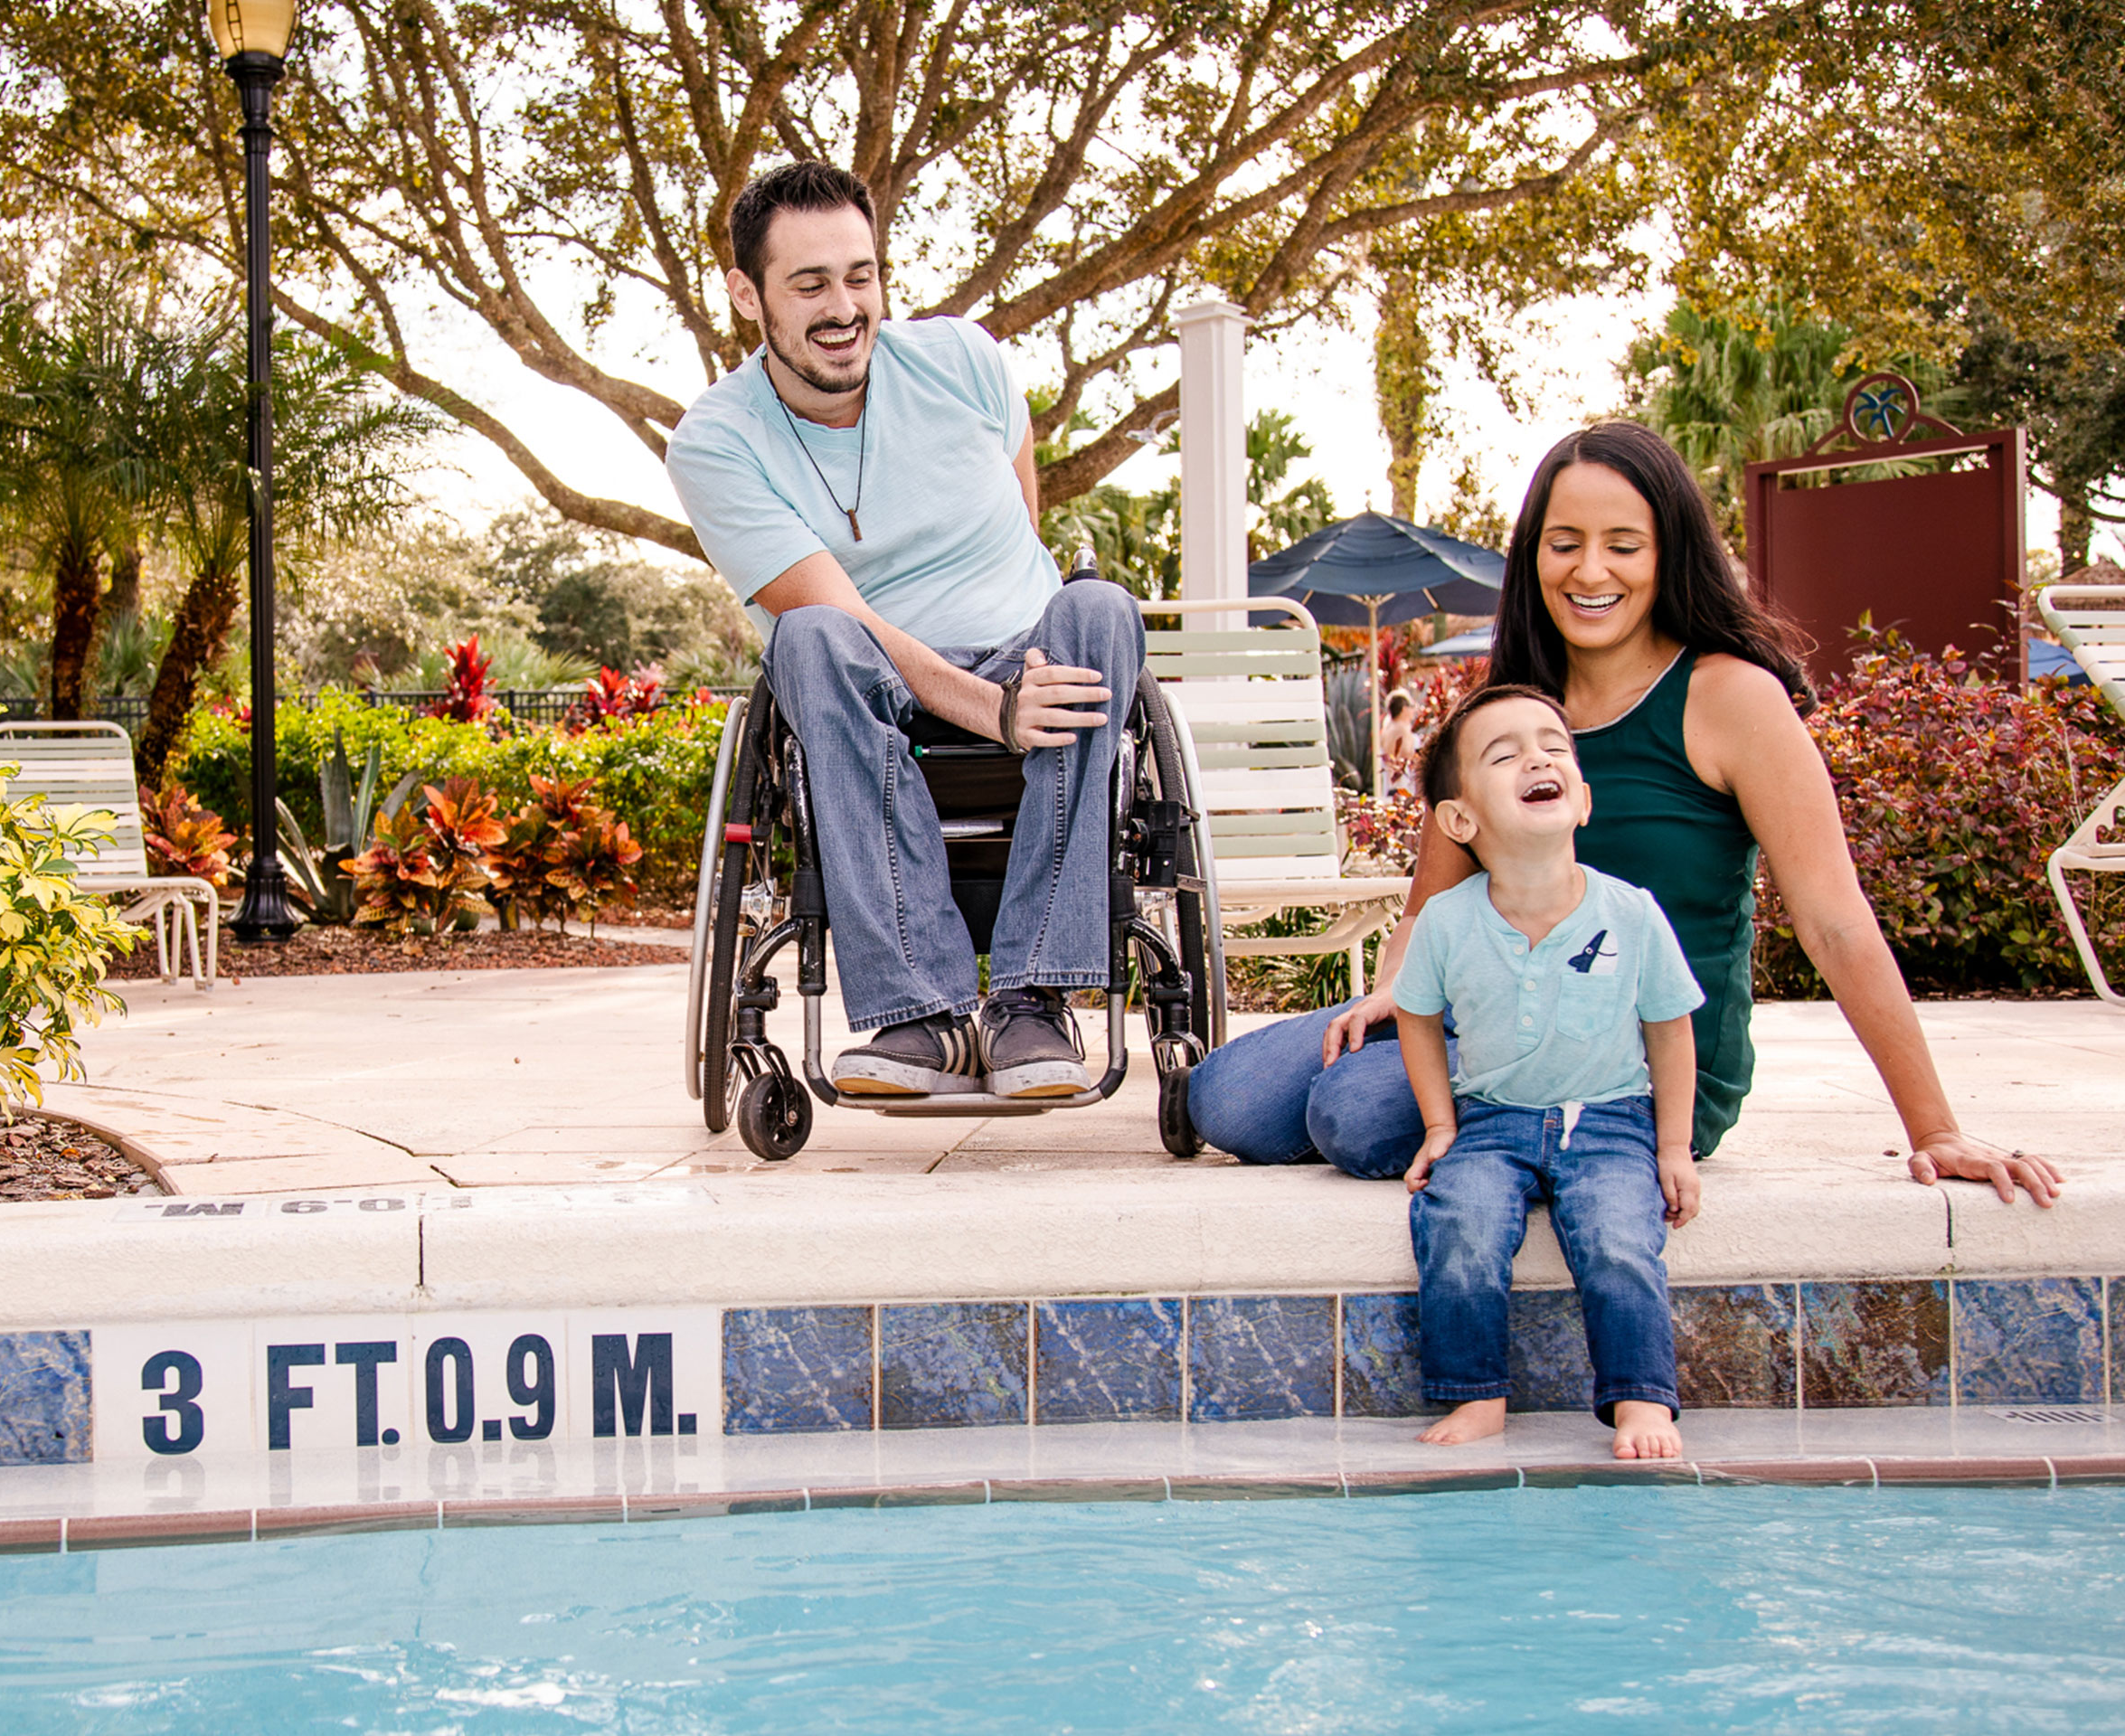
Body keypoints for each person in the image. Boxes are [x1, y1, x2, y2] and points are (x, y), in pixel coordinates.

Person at [1188, 419, 2064, 1208]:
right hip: (1492, 1016)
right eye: (1564, 543)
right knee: (1222, 1098)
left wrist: (1934, 1126)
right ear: (1534, 555)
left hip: (1645, 1064)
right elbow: (1428, 903)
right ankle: (1422, 1102)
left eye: (1622, 545)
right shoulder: (1508, 711)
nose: (1590, 571)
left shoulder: (1732, 700)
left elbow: (1834, 920)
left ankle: (1450, 1120)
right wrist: (1394, 994)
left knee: (1347, 1111)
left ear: (1668, 553)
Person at [665, 163, 1145, 1099]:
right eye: (809, 285)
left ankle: (1033, 1002)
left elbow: (1023, 524)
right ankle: (916, 1014)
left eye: (861, 276)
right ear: (745, 292)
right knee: (806, 638)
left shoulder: (965, 360)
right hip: (869, 687)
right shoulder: (717, 440)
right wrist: (992, 709)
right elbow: (836, 613)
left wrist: (1022, 685)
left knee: (1098, 610)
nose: (844, 307)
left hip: (1029, 658)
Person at [1392, 684, 1704, 1458]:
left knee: (1618, 1238)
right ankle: (1476, 1396)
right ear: (1460, 820)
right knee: (1457, 1225)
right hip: (1494, 1119)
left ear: (1583, 800)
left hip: (1610, 1117)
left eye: (1553, 747)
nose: (1537, 757)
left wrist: (1673, 1148)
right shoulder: (1447, 921)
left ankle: (1640, 1400)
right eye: (1505, 755)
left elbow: (1670, 1033)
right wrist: (1439, 1124)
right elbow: (1417, 1016)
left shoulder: (1630, 913)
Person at [1377, 688, 1421, 795]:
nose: (1413, 711)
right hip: (1402, 787)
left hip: (1390, 786)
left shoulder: (1388, 727)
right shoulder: (1401, 729)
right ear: (1404, 709)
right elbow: (1407, 754)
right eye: (1411, 707)